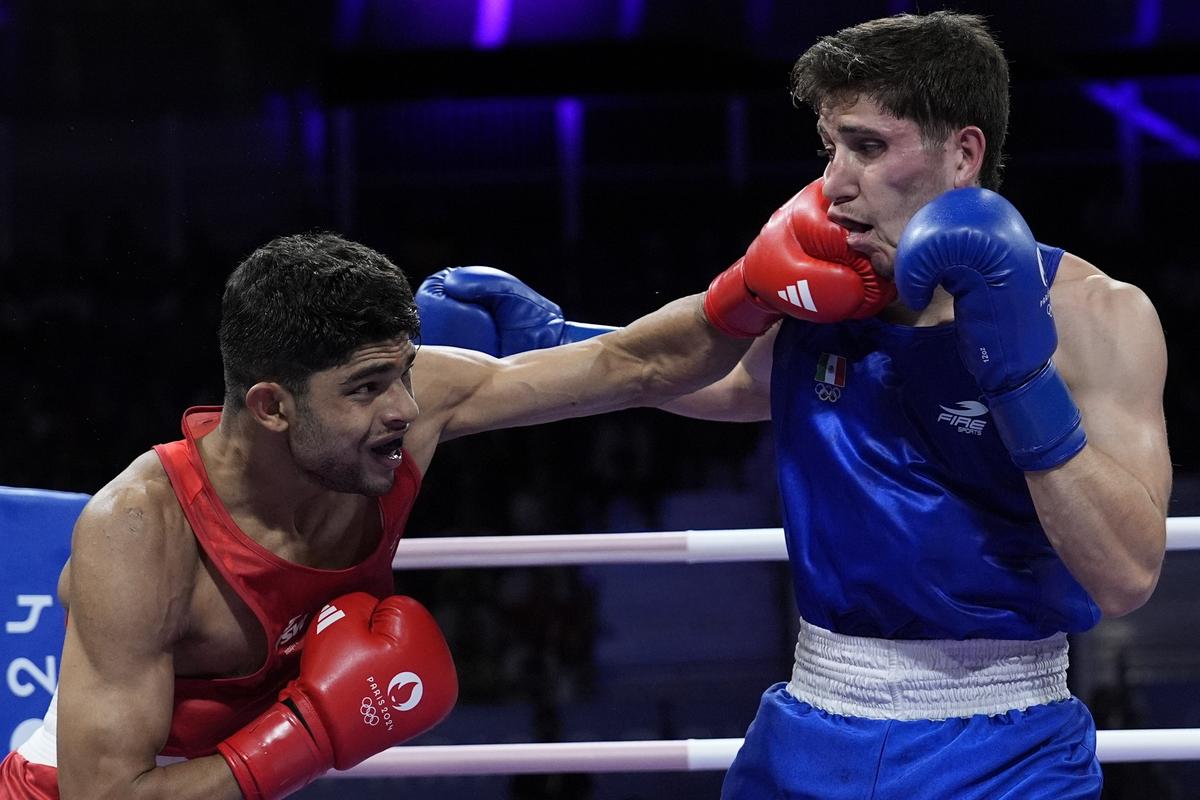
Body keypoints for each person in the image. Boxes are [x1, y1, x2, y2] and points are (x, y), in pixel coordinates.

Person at [413, 11, 1172, 798]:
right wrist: (546, 336)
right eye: (830, 148)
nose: (835, 183)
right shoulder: (821, 296)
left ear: (963, 154)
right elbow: (695, 372)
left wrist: (1018, 381)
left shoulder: (1096, 318)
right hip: (811, 731)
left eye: (869, 147)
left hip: (1008, 748)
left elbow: (1125, 576)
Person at [3, 208, 867, 800]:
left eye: (404, 372)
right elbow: (105, 796)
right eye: (368, 387)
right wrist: (304, 735)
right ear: (271, 405)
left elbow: (632, 366)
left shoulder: (415, 405)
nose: (406, 412)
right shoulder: (140, 531)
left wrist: (746, 291)